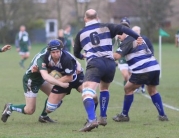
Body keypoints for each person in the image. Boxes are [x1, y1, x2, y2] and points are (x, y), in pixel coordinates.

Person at [74, 9, 143, 132]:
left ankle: (91, 120)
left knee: (86, 92)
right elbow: (124, 29)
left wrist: (82, 56)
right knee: (104, 89)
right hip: (110, 63)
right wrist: (138, 37)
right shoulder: (107, 26)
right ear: (98, 17)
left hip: (95, 63)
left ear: (85, 19)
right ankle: (103, 117)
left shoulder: (80, 33)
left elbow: (76, 53)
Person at [1, 40, 69, 123]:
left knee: (56, 97)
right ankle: (10, 107)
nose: (57, 54)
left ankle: (43, 116)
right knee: (30, 110)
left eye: (59, 51)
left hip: (42, 77)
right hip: (31, 80)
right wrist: (60, 82)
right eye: (54, 52)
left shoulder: (53, 51)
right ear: (50, 50)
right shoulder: (42, 59)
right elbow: (46, 76)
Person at [112, 26, 168, 123]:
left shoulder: (128, 41)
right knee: (153, 91)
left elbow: (116, 56)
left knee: (128, 88)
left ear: (126, 33)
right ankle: (162, 115)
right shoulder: (138, 38)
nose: (118, 36)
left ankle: (124, 115)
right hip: (154, 67)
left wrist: (102, 55)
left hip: (143, 69)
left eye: (120, 34)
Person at [132, 25, 155, 93]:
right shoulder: (131, 39)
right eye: (134, 31)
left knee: (144, 73)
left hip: (145, 58)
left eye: (137, 30)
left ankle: (142, 87)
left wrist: (151, 55)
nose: (136, 32)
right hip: (135, 59)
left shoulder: (144, 38)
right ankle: (138, 87)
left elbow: (150, 47)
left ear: (140, 31)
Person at [117, 17, 132, 87]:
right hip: (122, 59)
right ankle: (129, 88)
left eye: (126, 25)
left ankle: (129, 88)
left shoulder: (132, 36)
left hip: (131, 58)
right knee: (126, 76)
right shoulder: (116, 35)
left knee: (130, 76)